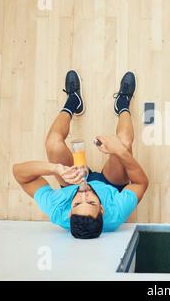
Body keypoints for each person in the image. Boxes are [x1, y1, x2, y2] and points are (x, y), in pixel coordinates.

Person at [12, 70, 148, 239]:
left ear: (69, 213)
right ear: (102, 210)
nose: (84, 193)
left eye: (77, 203)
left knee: (53, 144)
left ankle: (73, 101)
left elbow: (19, 173)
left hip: (72, 181)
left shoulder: (58, 210)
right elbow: (140, 183)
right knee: (125, 142)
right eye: (91, 202)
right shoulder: (115, 214)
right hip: (111, 184)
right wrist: (118, 150)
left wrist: (55, 169)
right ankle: (123, 103)